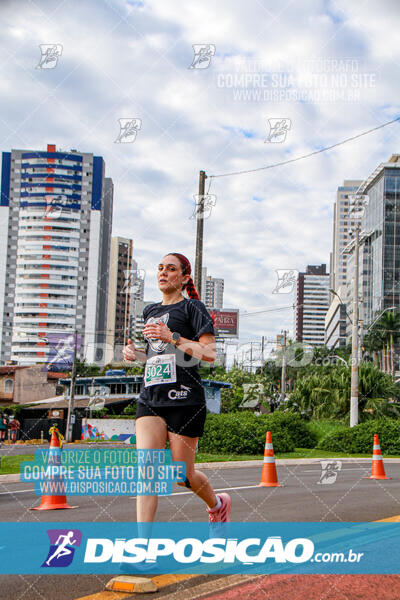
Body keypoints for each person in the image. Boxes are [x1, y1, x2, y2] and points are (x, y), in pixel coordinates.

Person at [123, 252, 231, 525]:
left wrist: (172, 335)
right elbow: (157, 355)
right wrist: (134, 354)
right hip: (151, 397)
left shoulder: (193, 308)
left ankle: (217, 505)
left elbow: (208, 353)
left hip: (184, 399)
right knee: (146, 472)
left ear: (184, 278)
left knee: (183, 476)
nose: (163, 273)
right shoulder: (150, 311)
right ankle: (141, 547)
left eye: (171, 269)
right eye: (160, 268)